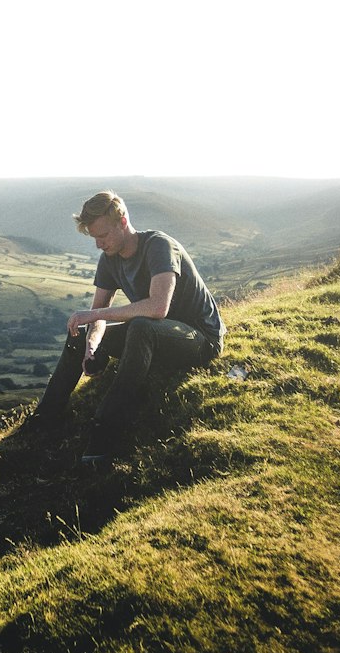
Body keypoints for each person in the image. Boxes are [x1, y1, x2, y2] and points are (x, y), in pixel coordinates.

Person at [32, 189, 225, 464]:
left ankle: (105, 427)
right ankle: (44, 418)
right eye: (94, 238)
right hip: (156, 336)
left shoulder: (159, 246)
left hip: (199, 338)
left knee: (142, 326)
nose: (99, 244)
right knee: (79, 334)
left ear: (122, 223)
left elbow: (158, 307)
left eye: (103, 236)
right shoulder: (109, 258)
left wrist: (94, 315)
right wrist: (91, 345)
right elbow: (96, 316)